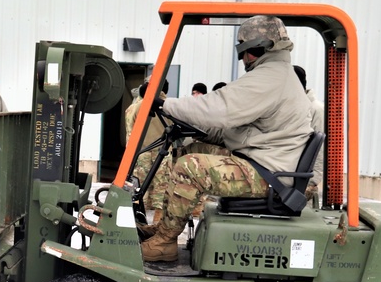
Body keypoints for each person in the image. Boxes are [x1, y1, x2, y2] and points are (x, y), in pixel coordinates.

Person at [140, 15, 313, 262]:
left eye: (245, 52)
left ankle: (165, 244)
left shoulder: (270, 78)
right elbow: (237, 129)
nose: (243, 59)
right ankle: (165, 228)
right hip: (266, 163)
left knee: (190, 167)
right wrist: (199, 131)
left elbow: (219, 108)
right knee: (190, 150)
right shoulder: (276, 74)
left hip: (271, 175)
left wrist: (165, 105)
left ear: (260, 47)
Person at [127, 81, 170, 218]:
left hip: (143, 150)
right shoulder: (171, 106)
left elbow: (130, 129)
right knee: (162, 184)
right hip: (164, 150)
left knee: (140, 184)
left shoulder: (137, 106)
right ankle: (158, 220)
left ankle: (139, 217)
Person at [294, 65, 325, 202]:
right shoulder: (294, 106)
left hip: (303, 178)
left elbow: (319, 149)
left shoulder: (316, 109)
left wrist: (312, 181)